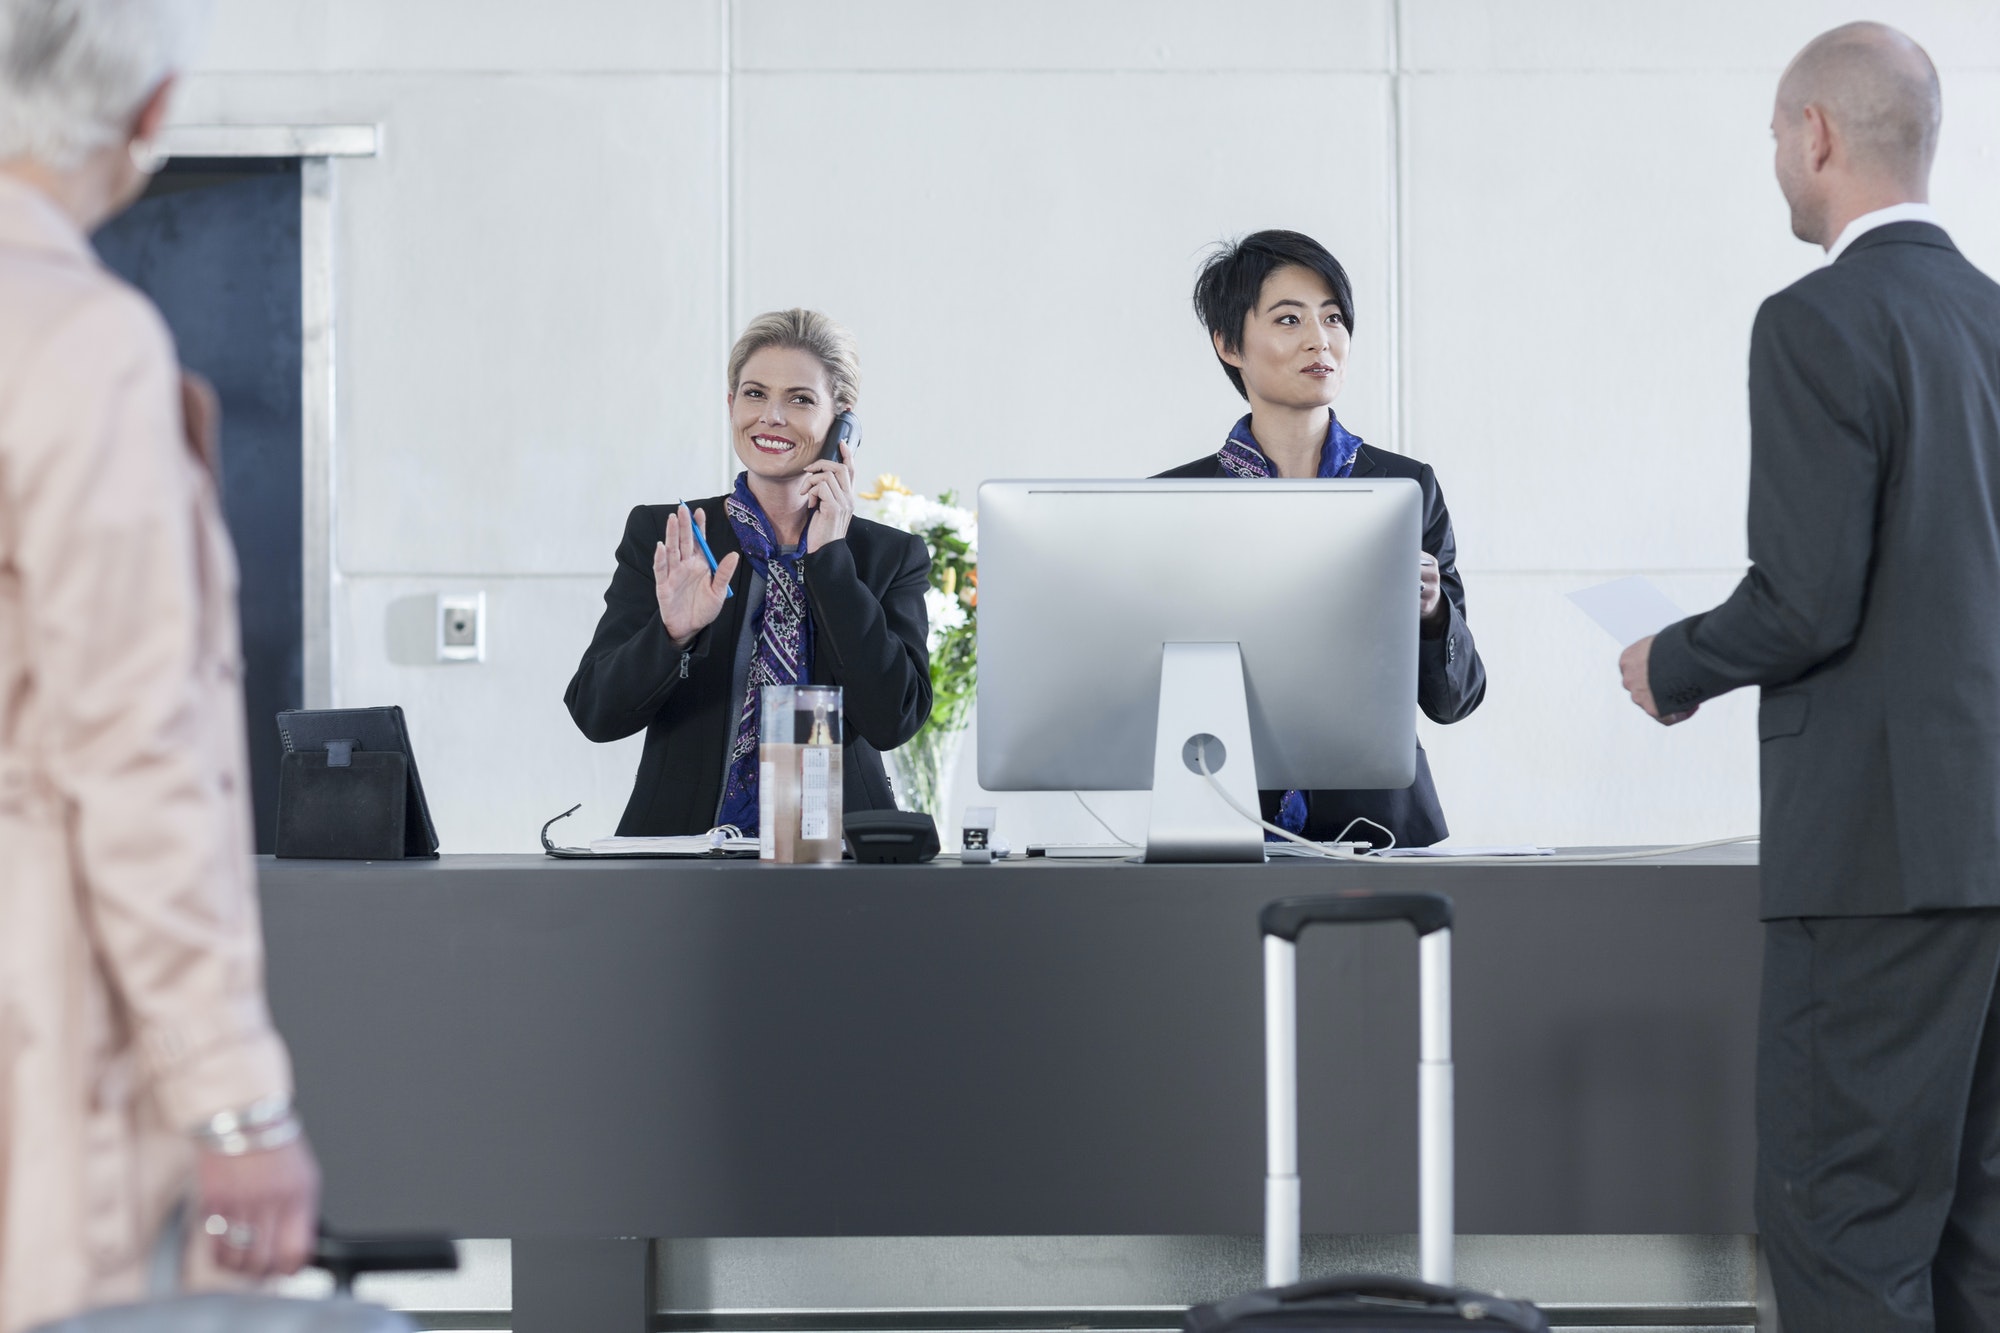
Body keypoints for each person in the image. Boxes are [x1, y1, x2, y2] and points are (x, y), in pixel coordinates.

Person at [1619, 23, 2000, 1332]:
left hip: (1881, 869)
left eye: (1781, 135)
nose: (1779, 159)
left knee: (1842, 1225)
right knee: (1982, 1240)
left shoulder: (1817, 320)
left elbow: (1807, 596)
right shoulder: (1994, 321)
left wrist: (1669, 661)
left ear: (1819, 135)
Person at [0, 1, 322, 1327]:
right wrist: (234, 1099)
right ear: (149, 113)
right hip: (39, 994)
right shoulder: (78, 343)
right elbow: (131, 749)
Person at [1159, 230, 1485, 848]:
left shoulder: (1403, 486)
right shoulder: (1175, 502)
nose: (1321, 340)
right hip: (1218, 822)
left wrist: (1432, 610)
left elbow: (1455, 699)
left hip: (1384, 832)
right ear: (1229, 344)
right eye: (1289, 319)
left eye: (1333, 318)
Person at [567, 309, 932, 835]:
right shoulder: (672, 536)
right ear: (731, 404)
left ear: (841, 423)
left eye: (800, 399)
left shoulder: (887, 556)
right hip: (684, 862)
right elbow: (595, 714)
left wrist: (829, 561)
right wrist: (672, 634)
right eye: (755, 394)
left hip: (842, 863)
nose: (771, 416)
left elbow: (893, 720)